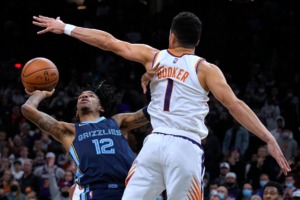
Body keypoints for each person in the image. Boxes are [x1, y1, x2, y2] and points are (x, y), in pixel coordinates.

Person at [32, 11, 290, 199]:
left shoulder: (154, 57)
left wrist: (65, 26)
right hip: (185, 147)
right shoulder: (206, 69)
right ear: (197, 41)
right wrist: (267, 137)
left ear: (171, 36)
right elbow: (235, 105)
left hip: (153, 146)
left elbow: (109, 42)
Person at [21, 82, 150, 200]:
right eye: (80, 97)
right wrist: (40, 94)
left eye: (91, 96)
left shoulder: (117, 122)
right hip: (95, 191)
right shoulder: (70, 131)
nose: (84, 97)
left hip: (129, 189)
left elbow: (151, 112)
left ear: (101, 107)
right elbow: (28, 110)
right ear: (77, 111)